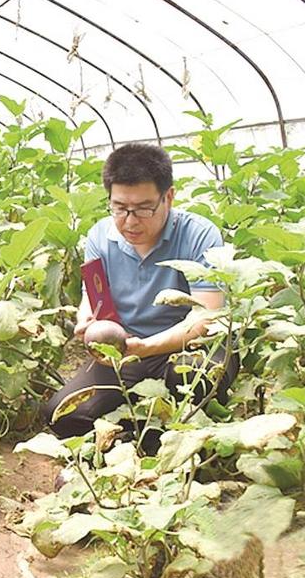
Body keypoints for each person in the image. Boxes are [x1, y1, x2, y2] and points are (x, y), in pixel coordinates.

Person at [43, 143, 238, 442]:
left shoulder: (200, 234)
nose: (131, 221)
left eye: (144, 209)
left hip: (191, 347)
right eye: (120, 208)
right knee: (62, 415)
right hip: (128, 349)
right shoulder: (99, 236)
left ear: (168, 197)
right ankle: (141, 436)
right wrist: (87, 320)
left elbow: (205, 319)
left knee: (196, 379)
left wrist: (145, 347)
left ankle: (158, 436)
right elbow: (92, 296)